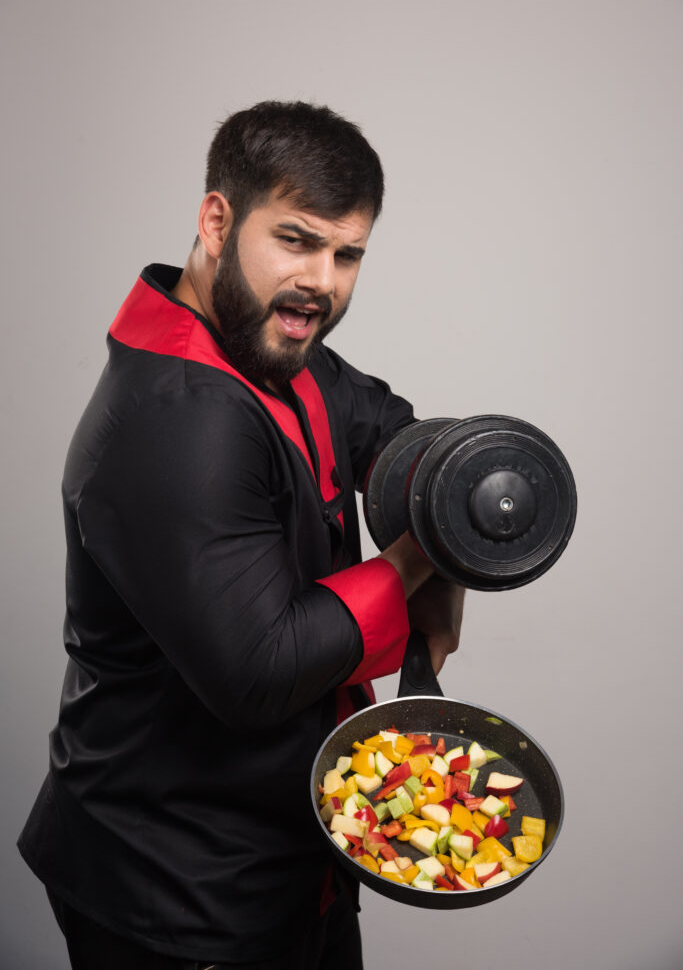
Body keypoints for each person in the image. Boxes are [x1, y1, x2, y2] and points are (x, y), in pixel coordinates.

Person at [19, 101, 464, 969]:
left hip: (291, 860)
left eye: (347, 254)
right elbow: (259, 671)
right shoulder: (173, 419)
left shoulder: (269, 344)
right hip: (178, 896)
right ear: (216, 220)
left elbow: (394, 432)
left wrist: (447, 522)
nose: (322, 282)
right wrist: (418, 562)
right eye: (295, 240)